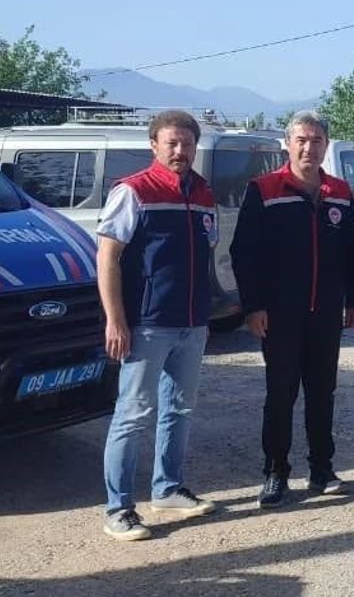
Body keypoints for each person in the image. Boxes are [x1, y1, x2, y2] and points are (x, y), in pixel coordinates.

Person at [97, 110, 219, 541]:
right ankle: (118, 509)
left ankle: (167, 488)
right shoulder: (133, 191)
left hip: (192, 322)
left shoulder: (203, 192)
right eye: (171, 143)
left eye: (187, 144)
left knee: (179, 409)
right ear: (154, 145)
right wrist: (116, 320)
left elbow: (205, 253)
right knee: (132, 415)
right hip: (147, 324)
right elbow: (107, 258)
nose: (180, 151)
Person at [230, 111, 354, 508]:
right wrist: (254, 306)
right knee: (281, 394)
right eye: (301, 140)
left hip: (326, 312)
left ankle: (322, 470)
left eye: (317, 140)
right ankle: (275, 472)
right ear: (288, 144)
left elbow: (353, 253)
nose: (309, 147)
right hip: (280, 314)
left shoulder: (339, 191)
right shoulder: (265, 189)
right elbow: (244, 252)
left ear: (326, 145)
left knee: (323, 393)